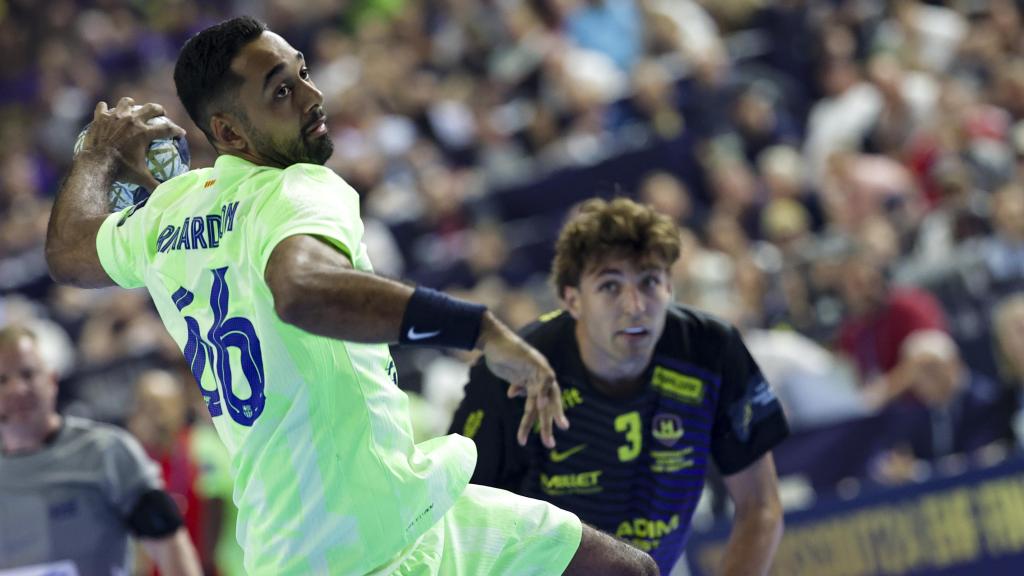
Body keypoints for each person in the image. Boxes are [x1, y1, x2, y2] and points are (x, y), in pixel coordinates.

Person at [45, 16, 657, 576]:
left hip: (399, 512)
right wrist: (479, 330)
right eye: (281, 92)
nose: (312, 98)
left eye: (303, 75)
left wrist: (96, 156)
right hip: (358, 551)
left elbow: (69, 253)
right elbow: (301, 290)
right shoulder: (297, 189)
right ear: (229, 130)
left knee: (626, 569)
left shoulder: (168, 215)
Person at [449, 197, 789, 575]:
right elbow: (459, 516)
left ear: (670, 287)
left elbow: (760, 506)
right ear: (572, 299)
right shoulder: (512, 369)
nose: (634, 305)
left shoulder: (712, 350)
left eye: (649, 282)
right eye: (610, 286)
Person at [0, 325, 201, 575]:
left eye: (28, 374)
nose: (17, 389)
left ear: (52, 380)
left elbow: (170, 542)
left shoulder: (105, 452)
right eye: (2, 380)